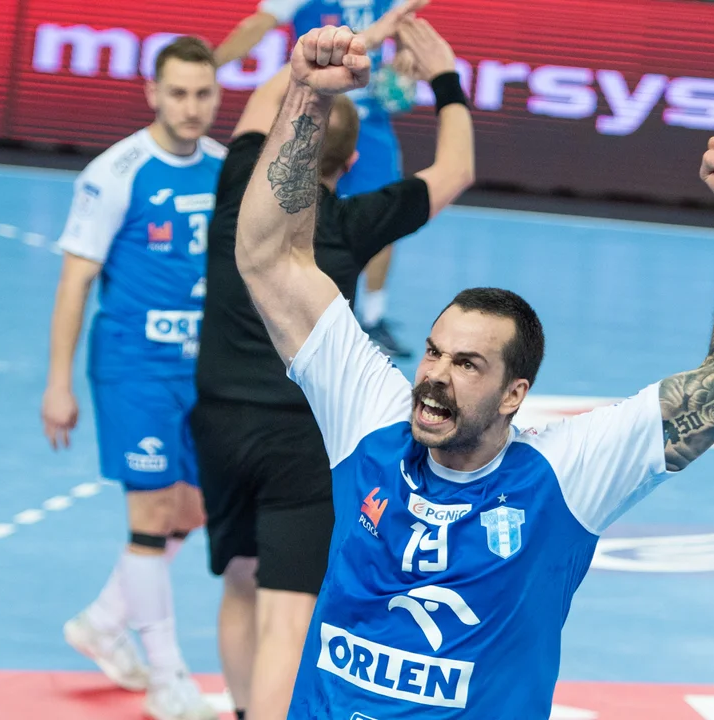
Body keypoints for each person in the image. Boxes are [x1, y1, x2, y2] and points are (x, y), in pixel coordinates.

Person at [234, 26, 714, 719]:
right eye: (433, 352)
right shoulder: (372, 422)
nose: (435, 376)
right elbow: (269, 260)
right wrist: (307, 95)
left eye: (467, 364)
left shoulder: (566, 476)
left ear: (513, 394)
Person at [191, 10, 472, 720]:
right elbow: (457, 170)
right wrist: (443, 77)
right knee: (288, 614)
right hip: (301, 440)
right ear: (348, 166)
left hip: (219, 423)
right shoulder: (352, 222)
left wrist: (325, 64)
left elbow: (269, 100)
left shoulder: (235, 189)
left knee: (239, 581)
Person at [40, 35, 224, 720]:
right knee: (149, 517)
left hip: (203, 371)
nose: (191, 107)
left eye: (202, 93)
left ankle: (103, 621)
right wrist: (58, 383)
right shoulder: (116, 172)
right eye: (177, 93)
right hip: (134, 368)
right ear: (152, 93)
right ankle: (168, 677)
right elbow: (75, 281)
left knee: (194, 509)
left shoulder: (225, 168)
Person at [215, 0, 422, 358]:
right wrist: (212, 67)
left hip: (371, 124)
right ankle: (293, 309)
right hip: (316, 113)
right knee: (297, 212)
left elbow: (407, 20)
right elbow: (256, 26)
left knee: (385, 217)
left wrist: (405, 54)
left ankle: (372, 318)